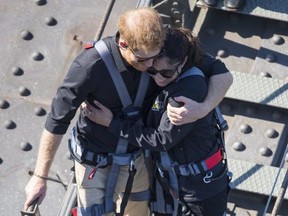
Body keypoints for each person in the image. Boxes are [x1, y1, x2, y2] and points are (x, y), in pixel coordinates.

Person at [24, 6, 232, 216]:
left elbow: (221, 73)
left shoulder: (164, 45)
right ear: (123, 44)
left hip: (137, 155)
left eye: (156, 57)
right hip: (94, 157)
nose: (152, 67)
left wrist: (203, 109)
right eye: (145, 62)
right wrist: (40, 177)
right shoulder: (89, 67)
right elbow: (57, 121)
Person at [82, 27, 231, 216]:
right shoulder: (157, 53)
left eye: (166, 74)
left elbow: (161, 140)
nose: (158, 78)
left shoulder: (186, 95)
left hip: (199, 190)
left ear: (183, 62)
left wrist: (111, 123)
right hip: (171, 183)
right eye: (152, 70)